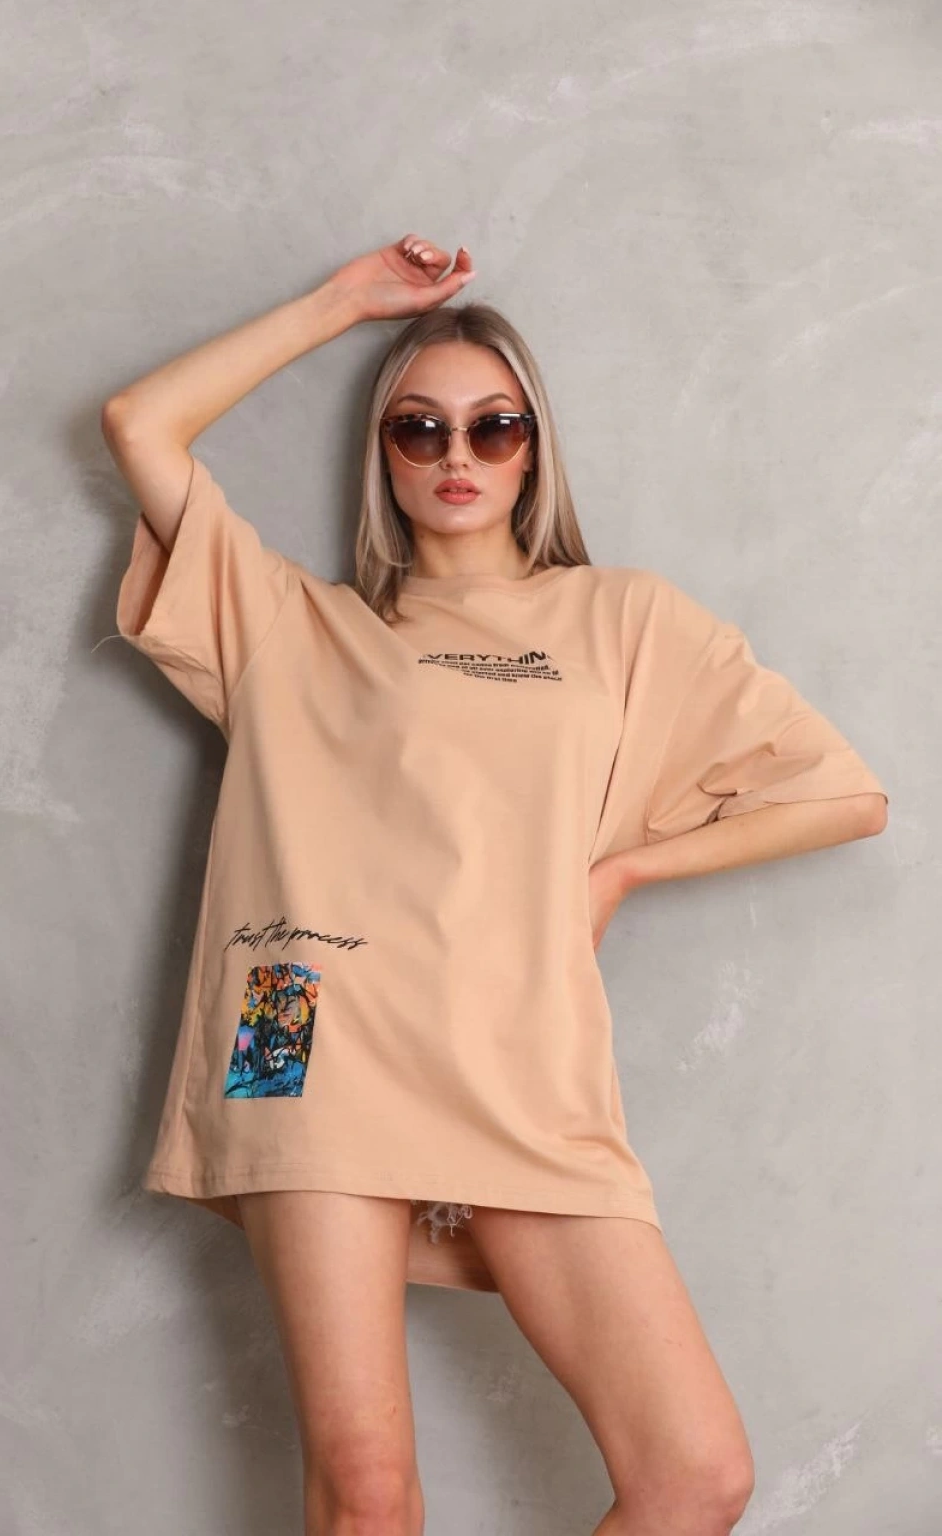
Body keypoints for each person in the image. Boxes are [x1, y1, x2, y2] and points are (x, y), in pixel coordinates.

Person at [100, 233, 889, 1536]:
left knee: (695, 1475)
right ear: (384, 454)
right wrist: (345, 302)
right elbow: (141, 423)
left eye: (493, 425)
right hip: (300, 1032)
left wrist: (624, 866)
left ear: (533, 449)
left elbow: (843, 796)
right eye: (418, 427)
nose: (456, 454)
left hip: (521, 1044)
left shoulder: (622, 622)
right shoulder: (291, 624)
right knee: (367, 1493)